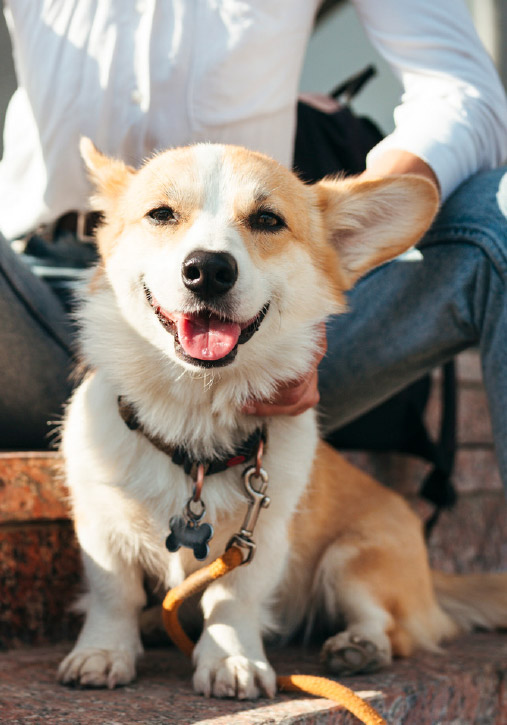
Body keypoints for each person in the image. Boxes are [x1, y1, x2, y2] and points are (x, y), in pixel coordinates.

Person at [1, 0, 507, 489]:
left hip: (271, 333)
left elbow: (462, 91)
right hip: (36, 308)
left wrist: (328, 243)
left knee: (499, 210)